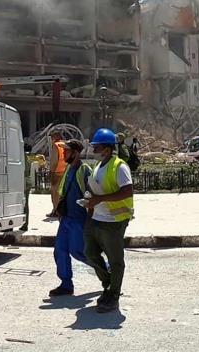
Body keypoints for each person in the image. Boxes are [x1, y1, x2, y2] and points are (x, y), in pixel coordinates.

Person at [84, 128, 134, 313]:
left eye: (97, 146)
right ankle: (108, 282)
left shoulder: (119, 166)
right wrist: (89, 199)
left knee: (115, 260)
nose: (94, 149)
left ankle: (113, 294)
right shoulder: (99, 166)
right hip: (96, 216)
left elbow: (127, 191)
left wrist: (100, 199)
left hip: (114, 220)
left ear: (106, 148)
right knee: (90, 253)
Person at [49, 139, 92, 297]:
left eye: (67, 151)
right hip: (66, 219)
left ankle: (107, 269)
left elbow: (91, 194)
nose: (64, 153)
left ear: (76, 153)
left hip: (78, 219)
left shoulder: (84, 169)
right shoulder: (68, 168)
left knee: (78, 252)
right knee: (60, 250)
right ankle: (66, 285)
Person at [47, 132, 68, 218]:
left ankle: (55, 210)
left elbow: (54, 161)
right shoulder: (65, 144)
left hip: (57, 172)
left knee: (54, 193)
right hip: (64, 171)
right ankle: (59, 210)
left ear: (55, 137)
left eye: (52, 137)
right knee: (60, 193)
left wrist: (51, 173)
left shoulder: (56, 146)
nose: (51, 139)